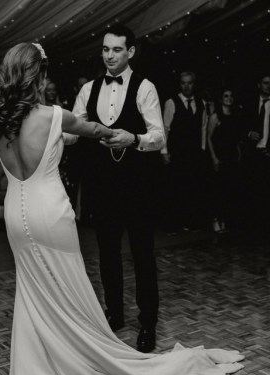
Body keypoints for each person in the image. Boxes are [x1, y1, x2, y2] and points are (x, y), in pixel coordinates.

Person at [0, 42, 244, 375]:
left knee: (32, 290)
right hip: (50, 211)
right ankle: (82, 357)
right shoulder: (53, 116)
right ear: (38, 74)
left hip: (16, 212)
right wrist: (121, 135)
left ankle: (35, 371)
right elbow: (93, 129)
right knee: (68, 289)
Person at [72, 24, 164, 353]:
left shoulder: (145, 88)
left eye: (116, 50)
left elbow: (159, 136)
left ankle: (148, 323)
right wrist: (45, 125)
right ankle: (114, 315)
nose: (109, 55)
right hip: (103, 186)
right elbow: (72, 130)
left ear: (131, 52)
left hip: (138, 186)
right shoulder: (88, 90)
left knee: (142, 255)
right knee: (108, 254)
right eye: (105, 49)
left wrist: (135, 138)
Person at [239, 73, 270, 239]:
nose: (269, 86)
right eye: (265, 83)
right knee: (251, 190)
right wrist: (247, 133)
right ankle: (251, 226)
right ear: (259, 84)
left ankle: (267, 228)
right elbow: (239, 125)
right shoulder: (249, 103)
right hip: (252, 154)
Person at [160, 71, 209, 233]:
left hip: (194, 153)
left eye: (189, 83)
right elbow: (165, 129)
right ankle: (172, 224)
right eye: (183, 83)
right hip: (177, 152)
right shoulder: (171, 102)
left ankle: (191, 222)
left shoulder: (201, 103)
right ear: (179, 84)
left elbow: (203, 128)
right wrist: (164, 151)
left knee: (192, 188)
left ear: (194, 84)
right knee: (175, 189)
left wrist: (202, 149)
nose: (186, 86)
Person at [207, 88, 241, 233]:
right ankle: (215, 219)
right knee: (218, 190)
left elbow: (235, 137)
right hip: (219, 156)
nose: (229, 98)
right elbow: (208, 137)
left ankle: (224, 219)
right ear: (221, 99)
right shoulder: (216, 116)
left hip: (231, 156)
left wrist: (239, 151)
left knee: (229, 189)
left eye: (231, 96)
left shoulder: (234, 115)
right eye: (226, 96)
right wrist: (213, 157)